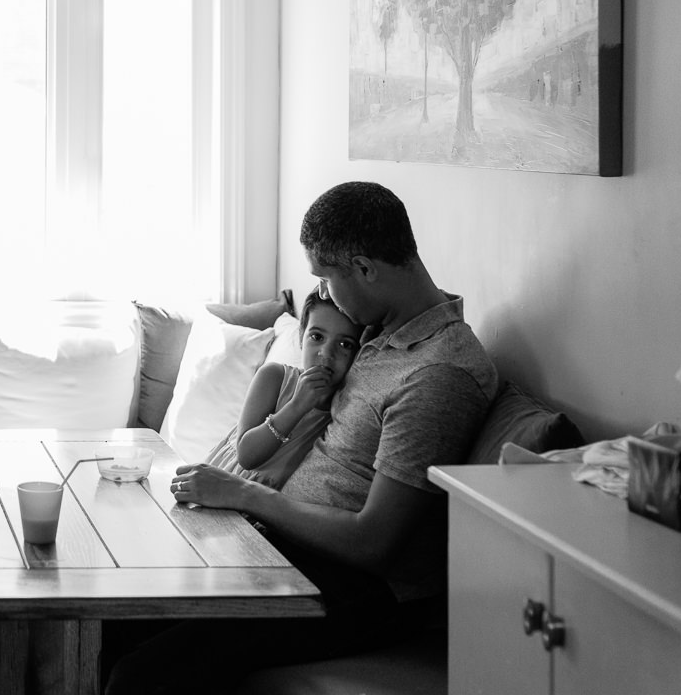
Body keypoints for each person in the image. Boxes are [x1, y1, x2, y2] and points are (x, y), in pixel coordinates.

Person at [103, 181, 499, 694]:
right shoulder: (380, 331)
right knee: (116, 614)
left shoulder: (437, 374)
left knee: (142, 676)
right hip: (284, 544)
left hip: (353, 587)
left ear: (364, 268)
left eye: (327, 278)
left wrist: (245, 493)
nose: (325, 294)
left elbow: (373, 543)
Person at [202, 287, 362, 489]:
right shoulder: (274, 377)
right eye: (317, 337)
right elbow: (246, 456)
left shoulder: (347, 410)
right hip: (225, 486)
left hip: (269, 508)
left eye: (345, 344)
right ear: (302, 337)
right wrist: (297, 406)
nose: (326, 353)